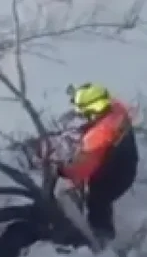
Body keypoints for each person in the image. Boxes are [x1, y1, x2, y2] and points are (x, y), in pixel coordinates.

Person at [54, 83, 139, 245]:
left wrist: (63, 170)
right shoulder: (117, 109)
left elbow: (82, 169)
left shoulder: (98, 135)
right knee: (101, 196)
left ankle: (104, 239)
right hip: (127, 163)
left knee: (97, 201)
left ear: (93, 110)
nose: (81, 115)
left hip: (114, 176)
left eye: (84, 112)